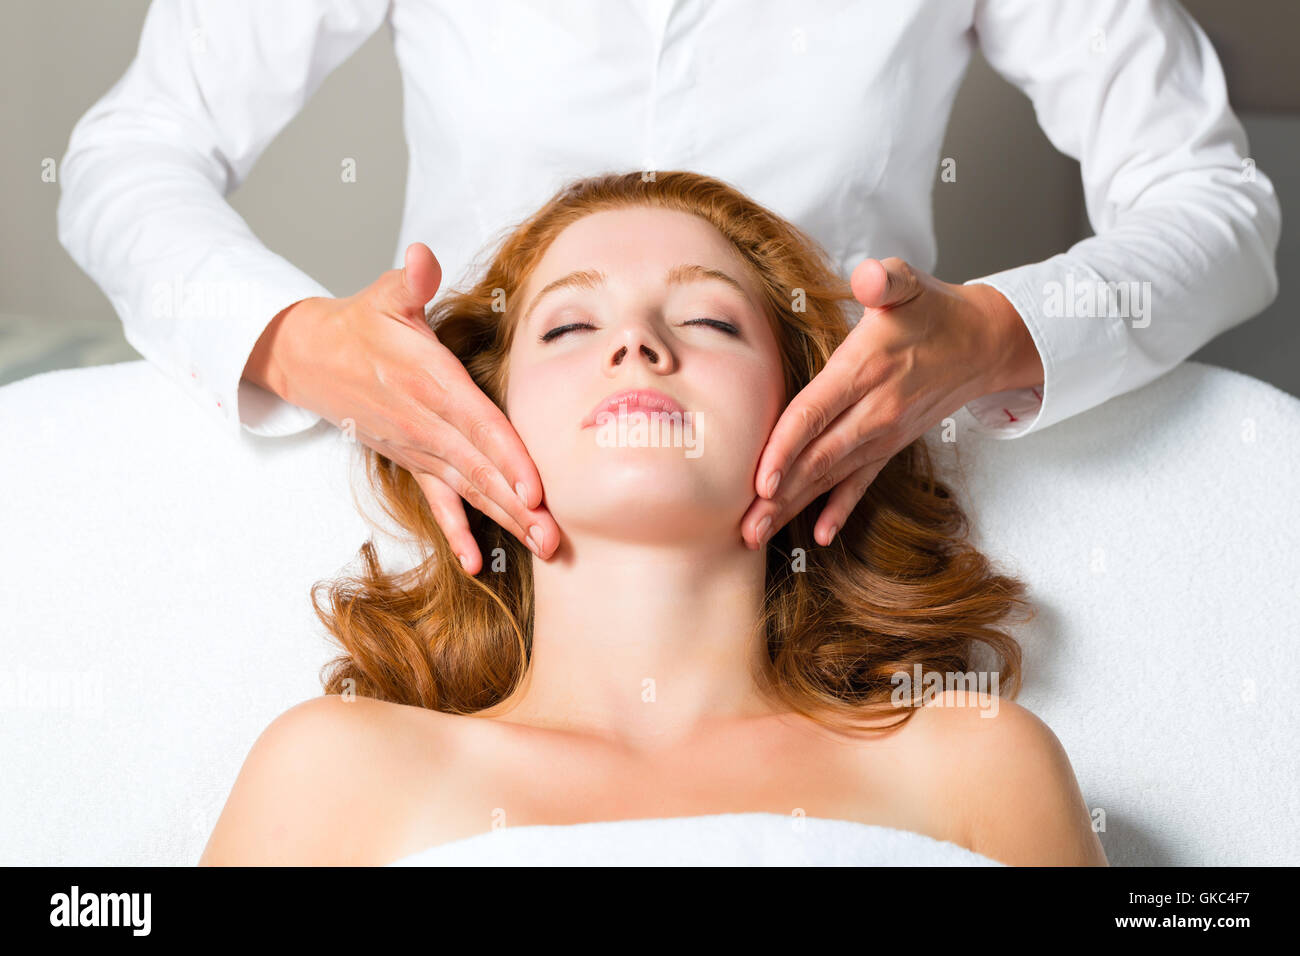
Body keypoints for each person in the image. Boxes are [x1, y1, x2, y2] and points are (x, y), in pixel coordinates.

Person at [57, 0, 1279, 574]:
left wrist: (993, 335)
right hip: (473, 522)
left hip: (826, 523)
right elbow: (128, 155)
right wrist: (292, 342)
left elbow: (1215, 206)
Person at [198, 171, 1108, 866]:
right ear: (469, 419)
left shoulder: (976, 765)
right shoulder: (333, 769)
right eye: (565, 327)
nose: (637, 344)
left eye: (711, 321)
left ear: (827, 414)